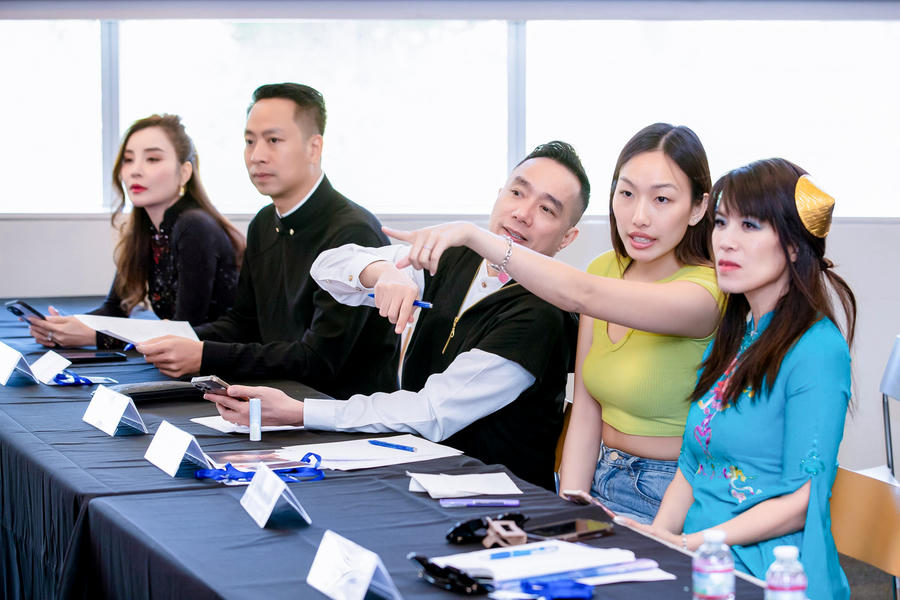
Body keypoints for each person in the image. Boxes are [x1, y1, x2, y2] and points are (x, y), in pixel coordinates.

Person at [384, 124, 723, 523]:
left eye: (662, 199)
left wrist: (473, 236)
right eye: (627, 194)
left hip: (670, 489)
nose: (639, 217)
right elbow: (586, 411)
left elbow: (581, 293)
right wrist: (572, 506)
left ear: (698, 208)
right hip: (597, 476)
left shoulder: (707, 292)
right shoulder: (604, 268)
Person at [206, 141, 590, 490]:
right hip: (415, 465)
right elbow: (327, 266)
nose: (522, 214)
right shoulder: (457, 257)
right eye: (517, 192)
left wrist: (299, 412)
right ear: (499, 194)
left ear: (567, 238)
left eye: (546, 209)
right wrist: (382, 273)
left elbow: (431, 412)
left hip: (489, 495)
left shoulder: (543, 313)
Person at [624, 158, 855, 600]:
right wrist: (658, 543)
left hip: (771, 574)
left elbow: (803, 501)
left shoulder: (818, 350)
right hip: (704, 562)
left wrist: (690, 545)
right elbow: (692, 466)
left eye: (749, 225)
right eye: (720, 222)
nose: (725, 241)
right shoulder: (737, 334)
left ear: (793, 245)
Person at [137, 83, 398, 399]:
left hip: (339, 410)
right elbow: (245, 322)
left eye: (273, 140)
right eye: (250, 141)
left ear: (314, 148)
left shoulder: (353, 232)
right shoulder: (264, 223)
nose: (256, 156)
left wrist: (205, 354)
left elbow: (318, 361)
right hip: (275, 398)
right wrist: (177, 337)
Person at [27, 114, 244, 349]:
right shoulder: (145, 229)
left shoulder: (194, 225)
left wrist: (95, 337)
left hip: (223, 361)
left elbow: (184, 331)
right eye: (128, 160)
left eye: (152, 159)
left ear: (184, 172)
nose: (135, 171)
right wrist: (62, 326)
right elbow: (114, 309)